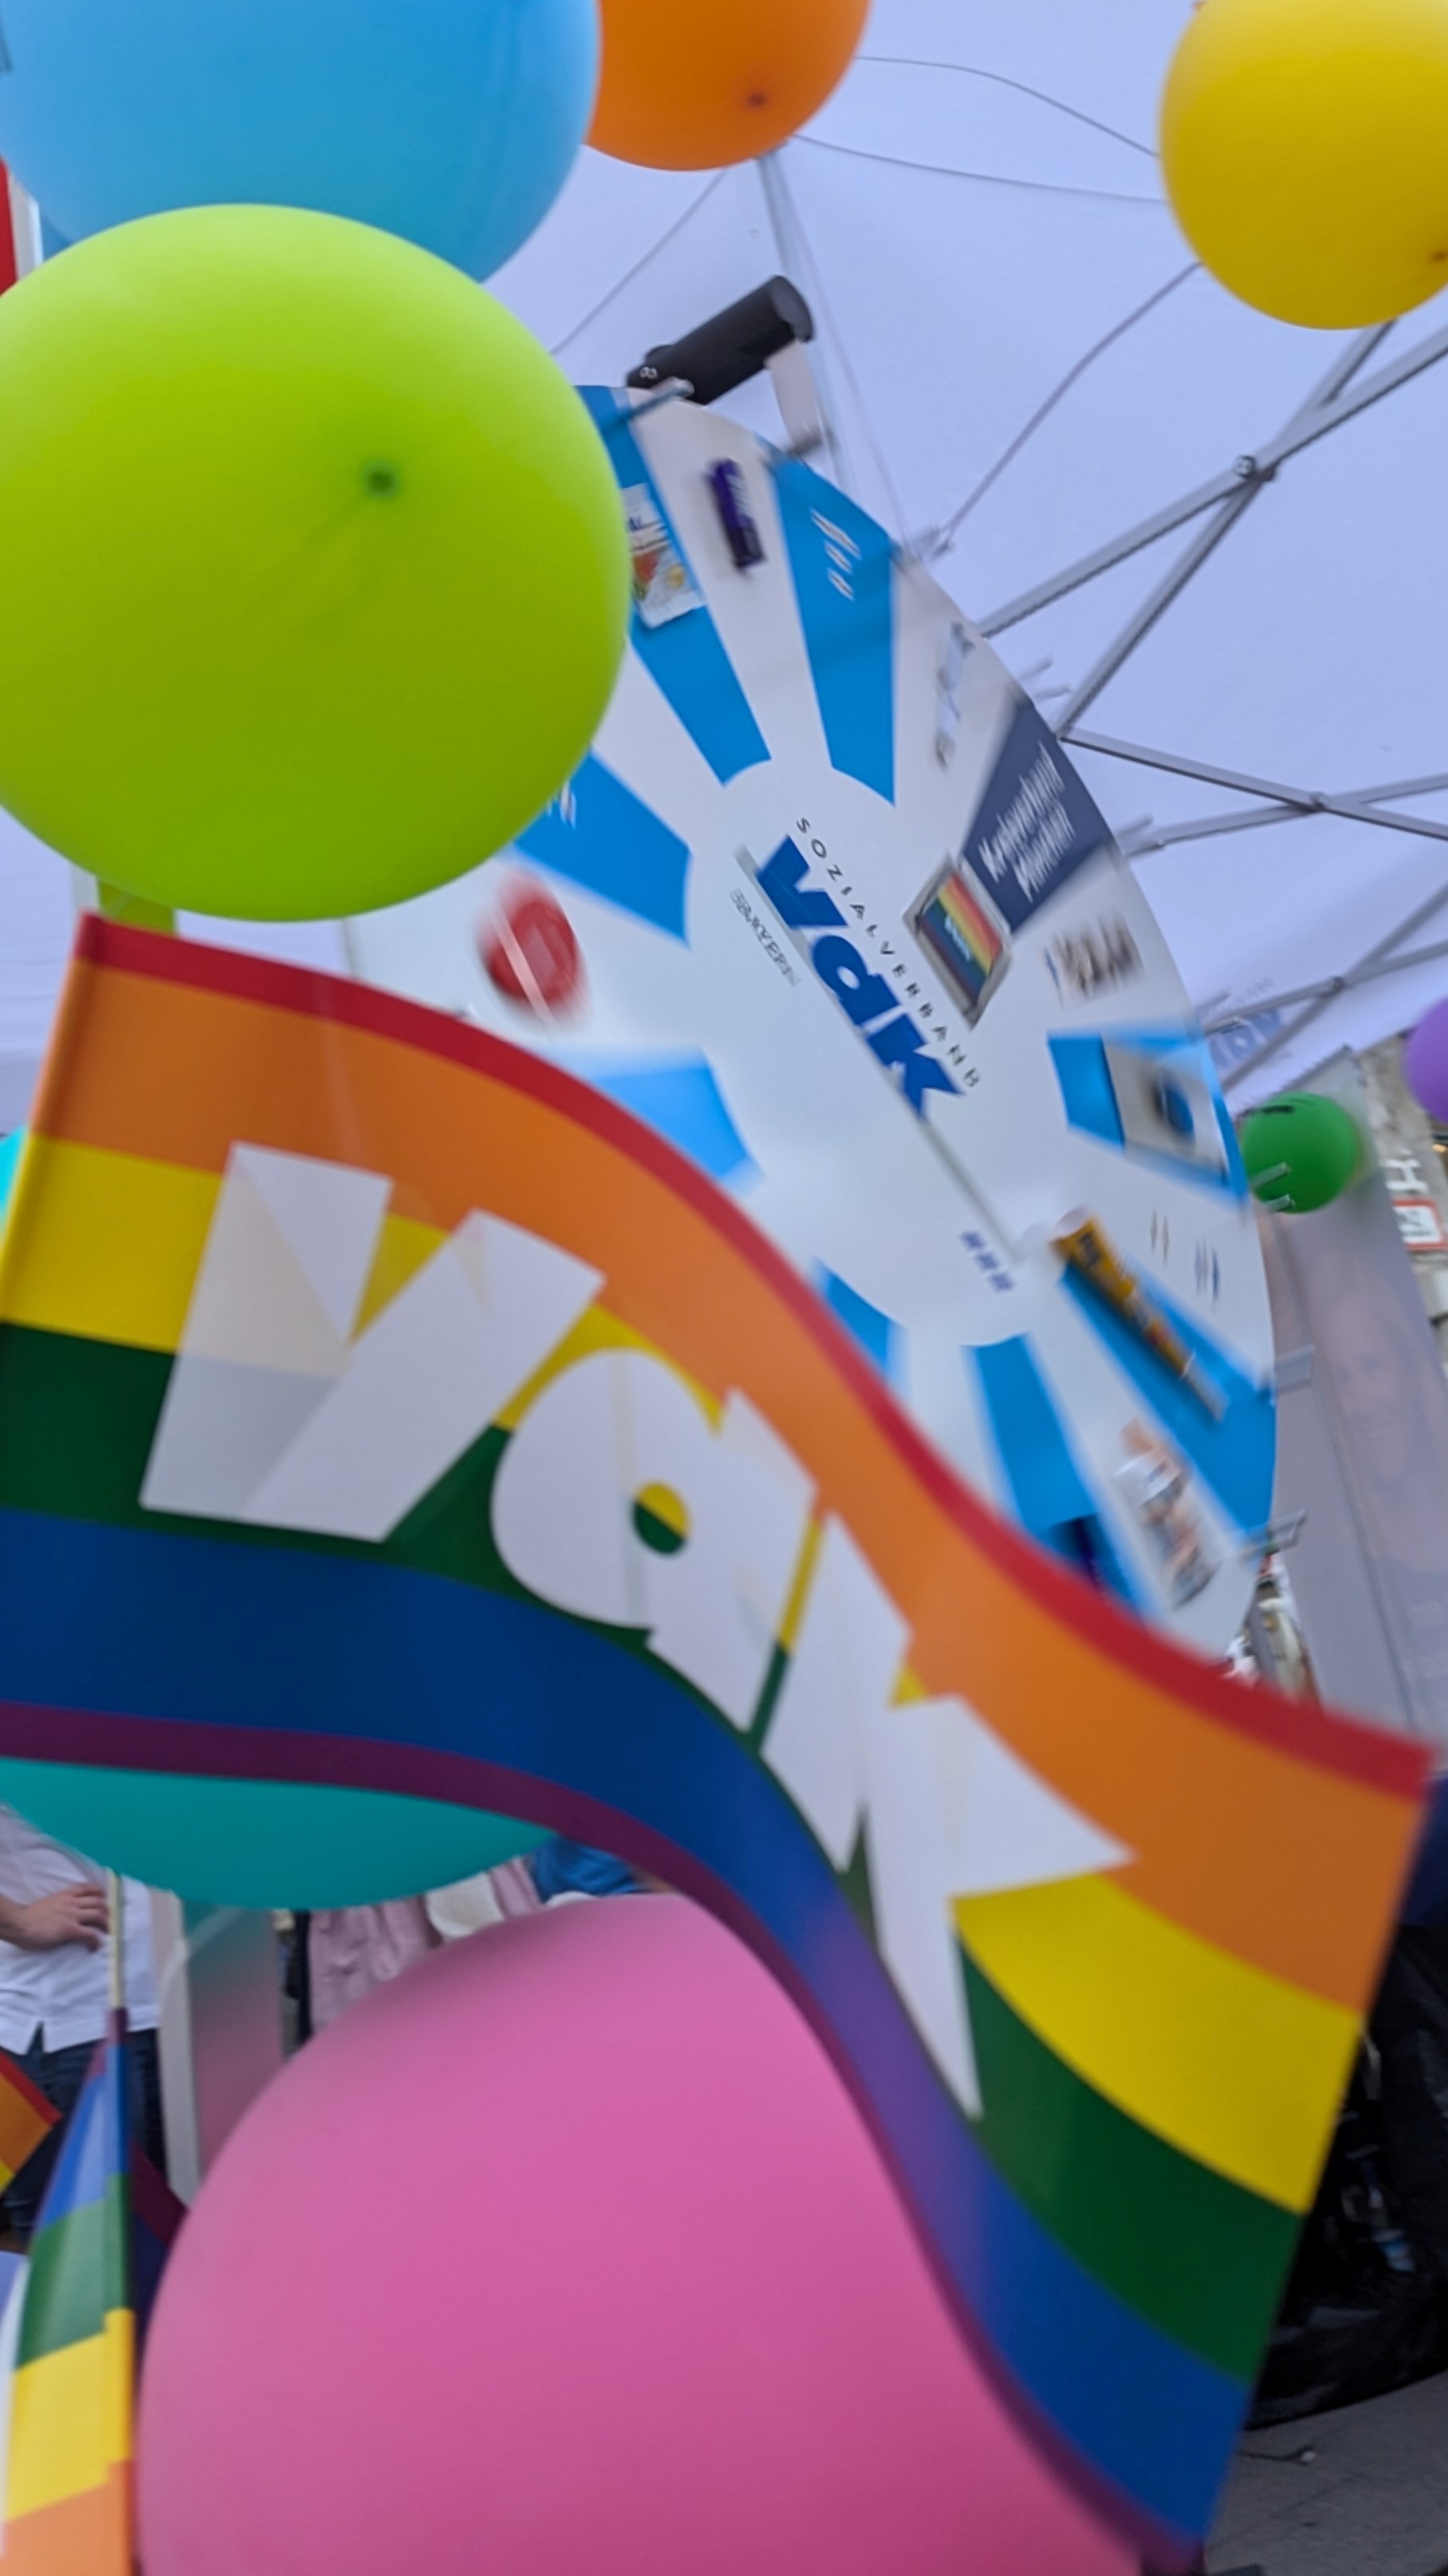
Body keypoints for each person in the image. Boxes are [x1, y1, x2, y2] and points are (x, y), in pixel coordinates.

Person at [0, 1805, 164, 2236]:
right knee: (87, 2252)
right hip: (65, 2024)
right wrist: (18, 1922)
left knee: (166, 2243)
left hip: (176, 2007)